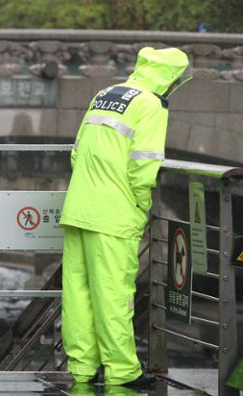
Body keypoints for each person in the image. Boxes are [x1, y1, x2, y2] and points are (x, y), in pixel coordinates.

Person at [59, 47, 192, 388]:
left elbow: (76, 151)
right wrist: (139, 206)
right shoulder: (151, 104)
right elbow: (143, 165)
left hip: (78, 207)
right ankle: (122, 371)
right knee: (114, 293)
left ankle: (81, 368)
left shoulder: (106, 93)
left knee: (78, 292)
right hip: (113, 213)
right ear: (171, 79)